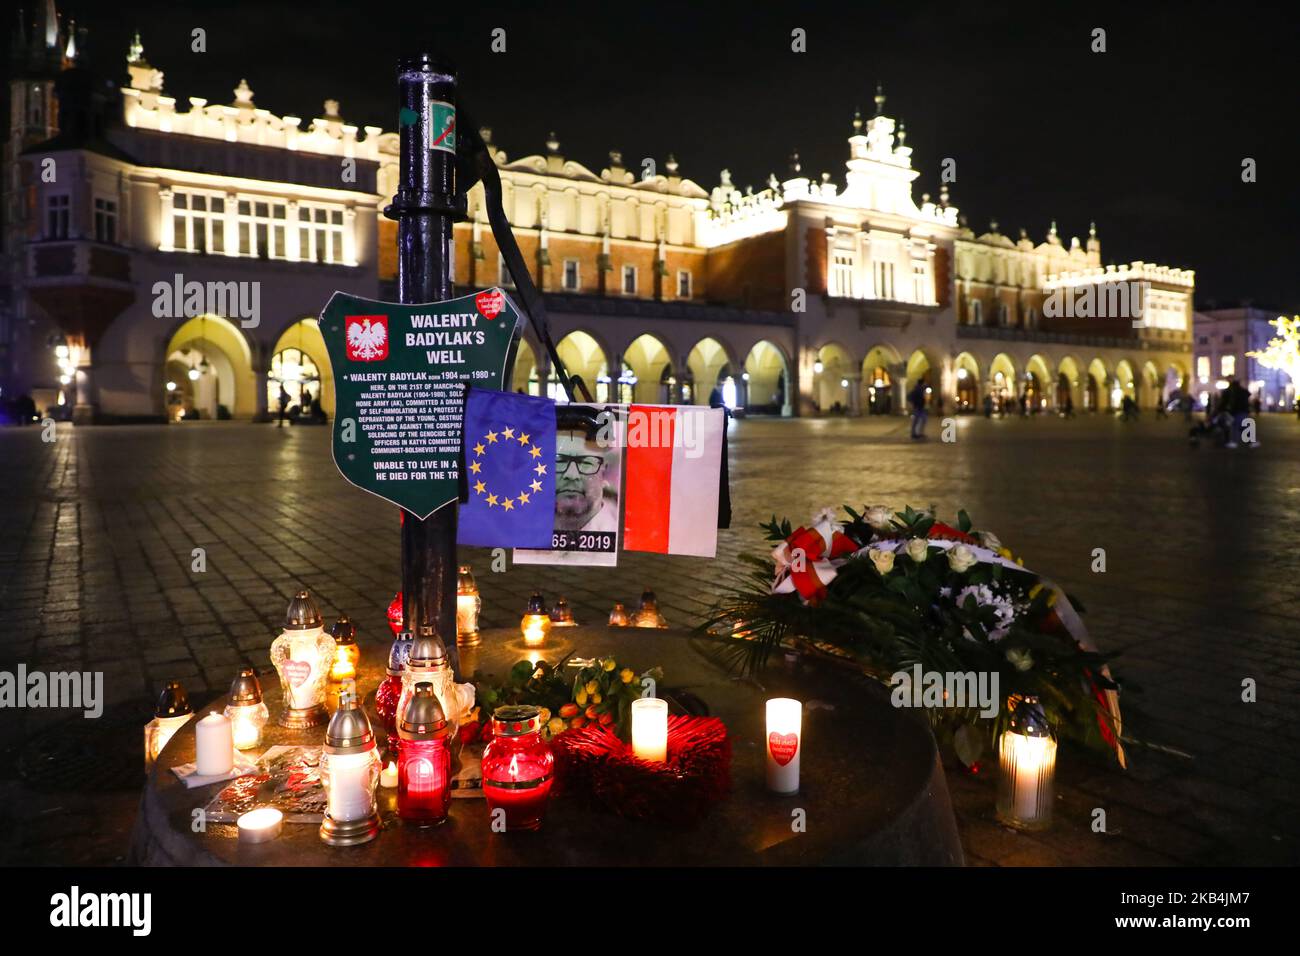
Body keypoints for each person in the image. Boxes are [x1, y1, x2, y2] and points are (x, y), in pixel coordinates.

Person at [554, 426, 619, 533]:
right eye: (560, 461)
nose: (572, 475)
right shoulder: (523, 526)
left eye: (586, 463)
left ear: (604, 469)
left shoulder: (624, 529)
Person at [1223, 376, 1250, 449]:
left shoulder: (1233, 391)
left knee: (1235, 426)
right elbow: (1248, 395)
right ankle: (1252, 441)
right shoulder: (1243, 391)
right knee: (1243, 426)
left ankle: (1234, 442)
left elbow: (1231, 402)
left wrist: (1229, 408)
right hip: (1244, 410)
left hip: (1238, 410)